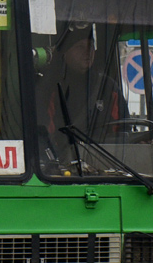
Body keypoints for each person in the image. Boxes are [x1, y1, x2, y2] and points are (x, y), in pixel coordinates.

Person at [37, 26, 129, 162]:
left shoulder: (107, 87)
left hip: (108, 165)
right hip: (64, 166)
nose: (88, 52)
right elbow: (45, 134)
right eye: (80, 47)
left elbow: (124, 130)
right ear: (65, 53)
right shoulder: (50, 88)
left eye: (91, 46)